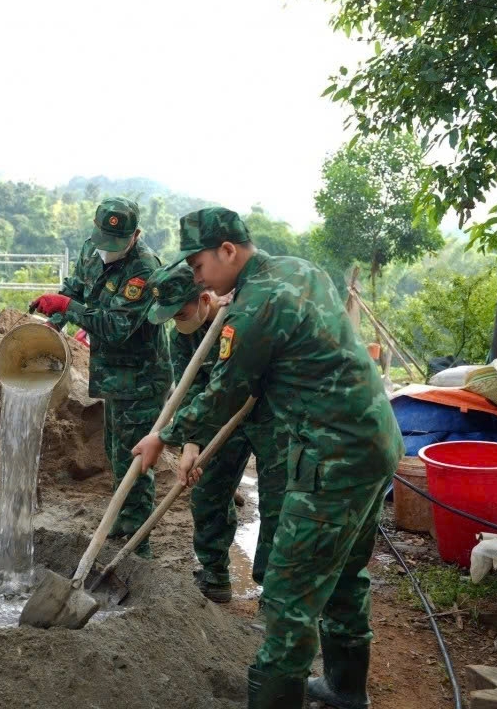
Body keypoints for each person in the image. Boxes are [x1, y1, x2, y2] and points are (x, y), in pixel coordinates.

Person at [131, 207, 402, 709]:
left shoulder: (255, 306)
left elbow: (227, 390)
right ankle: (346, 689)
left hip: (331, 457)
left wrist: (163, 436)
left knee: (288, 595)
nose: (199, 279)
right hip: (374, 440)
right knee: (344, 574)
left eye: (199, 267)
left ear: (228, 251)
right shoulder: (298, 270)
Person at [30, 197, 166, 556]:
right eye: (103, 239)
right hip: (111, 374)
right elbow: (75, 287)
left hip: (140, 378)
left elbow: (118, 327)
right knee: (115, 452)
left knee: (135, 457)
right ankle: (124, 519)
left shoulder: (145, 269)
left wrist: (70, 309)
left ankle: (139, 545)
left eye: (116, 243)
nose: (107, 250)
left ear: (135, 235)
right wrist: (54, 316)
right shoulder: (92, 250)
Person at [143, 262, 282, 602]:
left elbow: (238, 381)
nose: (178, 321)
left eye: (182, 312)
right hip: (218, 417)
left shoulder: (241, 319)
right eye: (171, 316)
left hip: (271, 417)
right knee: (206, 491)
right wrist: (191, 444)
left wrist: (167, 437)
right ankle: (215, 575)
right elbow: (191, 390)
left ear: (205, 298)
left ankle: (276, 594)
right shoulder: (183, 338)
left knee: (278, 501)